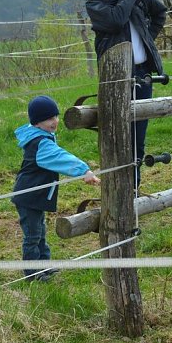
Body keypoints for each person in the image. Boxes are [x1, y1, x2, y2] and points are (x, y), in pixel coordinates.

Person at [85, 0, 167, 187]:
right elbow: (116, 20)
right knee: (117, 136)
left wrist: (147, 38)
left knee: (137, 137)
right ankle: (118, 190)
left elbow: (160, 11)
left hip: (142, 75)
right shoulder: (95, 3)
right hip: (115, 79)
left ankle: (133, 191)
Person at [12, 95, 100, 281]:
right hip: (29, 196)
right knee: (33, 236)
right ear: (36, 123)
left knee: (40, 232)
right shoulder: (41, 143)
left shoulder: (40, 135)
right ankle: (33, 274)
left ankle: (43, 266)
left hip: (35, 195)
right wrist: (83, 170)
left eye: (56, 116)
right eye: (49, 118)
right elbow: (60, 157)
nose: (55, 121)